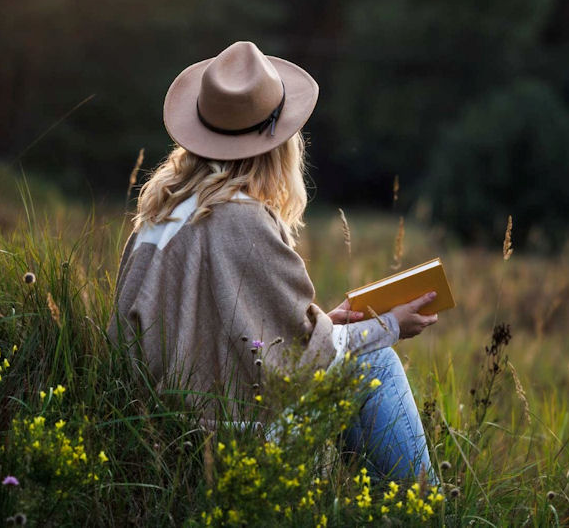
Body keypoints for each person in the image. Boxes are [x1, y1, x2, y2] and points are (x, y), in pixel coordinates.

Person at [107, 41, 439, 483]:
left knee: (357, 358)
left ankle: (384, 506)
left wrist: (324, 326)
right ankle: (422, 506)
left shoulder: (156, 218)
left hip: (156, 436)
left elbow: (228, 337)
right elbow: (298, 366)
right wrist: (391, 326)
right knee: (376, 363)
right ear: (278, 147)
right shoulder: (243, 220)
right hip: (229, 442)